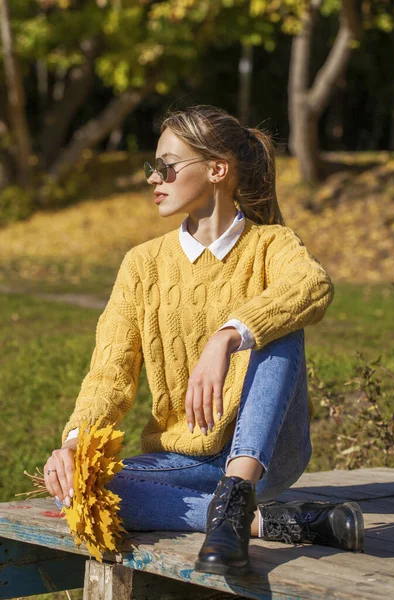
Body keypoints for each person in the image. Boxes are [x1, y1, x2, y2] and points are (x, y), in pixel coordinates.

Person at [44, 105, 364, 576]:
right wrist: (75, 444)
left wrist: (228, 336)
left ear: (217, 169)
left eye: (167, 166)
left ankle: (239, 490)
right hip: (183, 460)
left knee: (278, 322)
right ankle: (259, 523)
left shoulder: (270, 245)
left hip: (270, 453)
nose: (154, 178)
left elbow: (313, 286)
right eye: (152, 167)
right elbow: (109, 373)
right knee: (87, 489)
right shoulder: (142, 265)